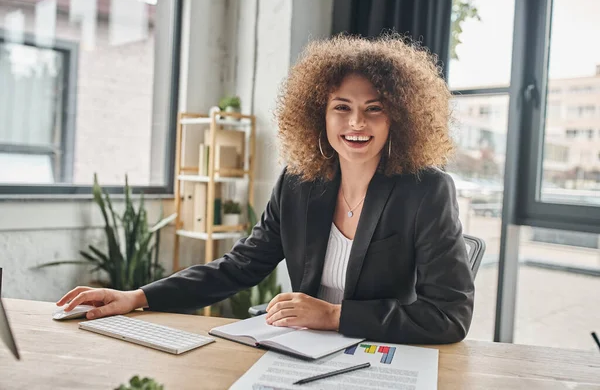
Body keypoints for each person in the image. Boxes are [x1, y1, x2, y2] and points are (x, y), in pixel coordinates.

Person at [57, 34, 474, 344]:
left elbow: (449, 316)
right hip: (299, 349)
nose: (356, 124)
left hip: (381, 355)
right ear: (319, 116)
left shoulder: (426, 192)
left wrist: (333, 315)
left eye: (374, 110)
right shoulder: (299, 184)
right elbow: (241, 267)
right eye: (341, 108)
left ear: (397, 118)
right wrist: (138, 296)